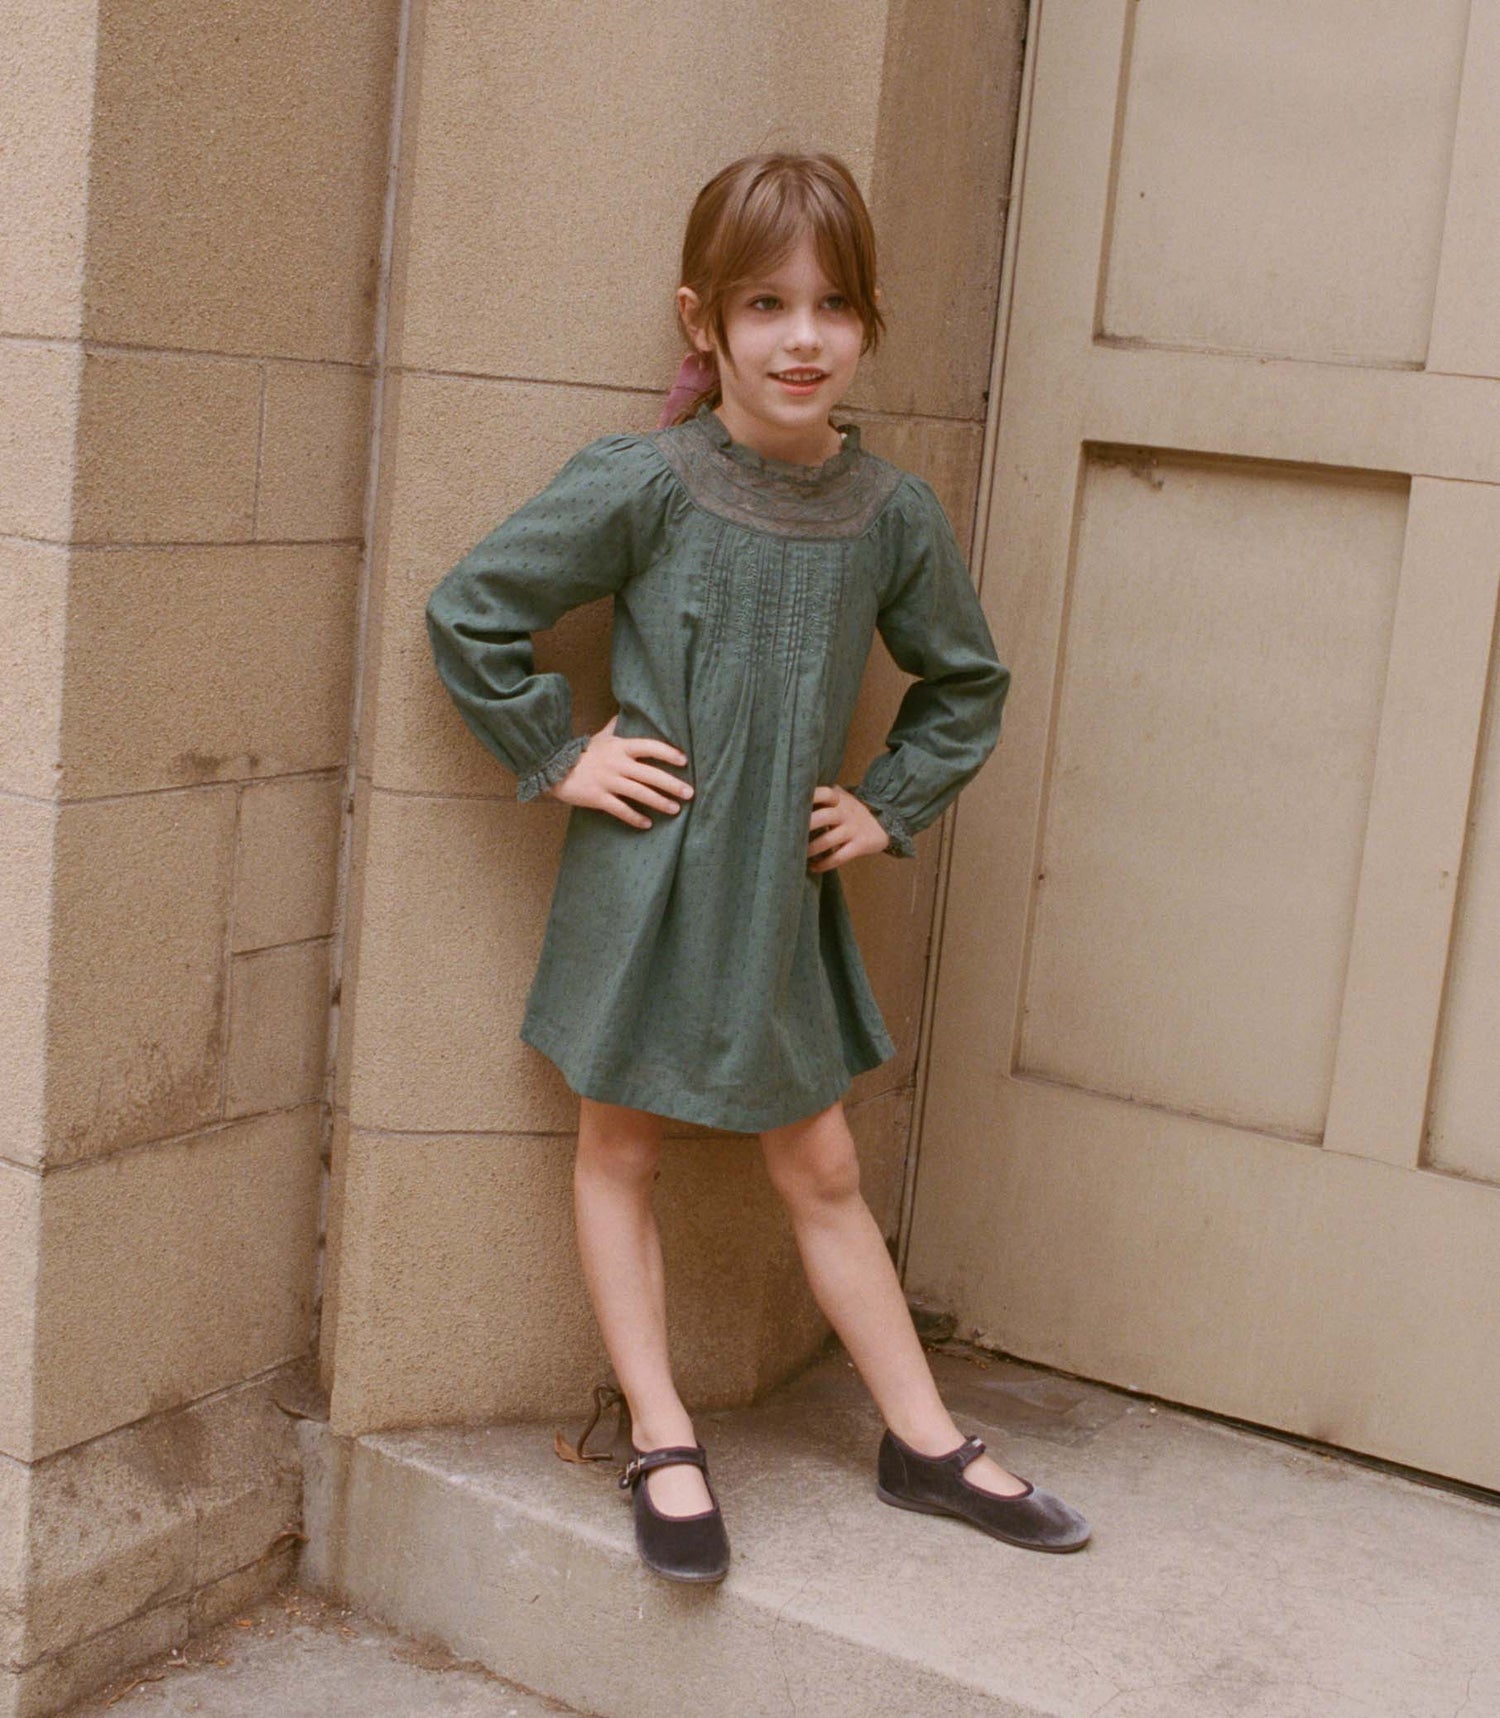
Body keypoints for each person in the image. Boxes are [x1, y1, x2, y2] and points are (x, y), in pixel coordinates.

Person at [425, 151, 1091, 1583]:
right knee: (621, 1143)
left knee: (824, 1159)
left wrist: (889, 801)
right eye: (769, 303)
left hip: (780, 896)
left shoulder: (889, 513)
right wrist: (561, 753)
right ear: (703, 321)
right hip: (649, 883)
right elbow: (473, 609)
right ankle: (663, 1433)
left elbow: (964, 683)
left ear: (865, 326)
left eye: (835, 304)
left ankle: (922, 1437)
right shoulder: (647, 484)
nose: (804, 335)